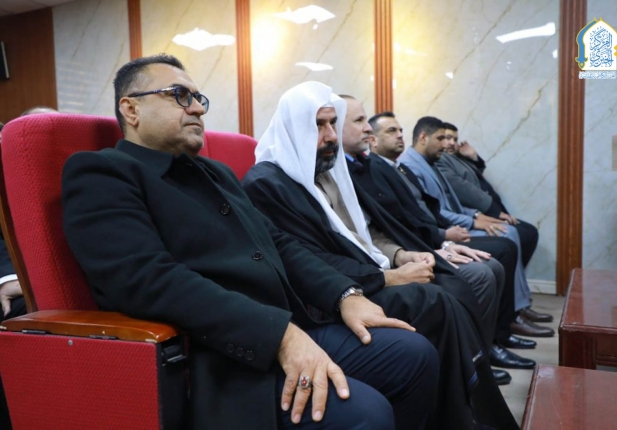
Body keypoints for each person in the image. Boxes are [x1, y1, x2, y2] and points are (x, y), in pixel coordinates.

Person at [61, 54, 439, 430]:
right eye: (180, 95)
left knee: (415, 355)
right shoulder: (102, 173)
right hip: (219, 356)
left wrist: (345, 295)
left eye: (198, 98)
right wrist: (279, 336)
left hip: (289, 324)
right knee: (366, 413)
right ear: (131, 109)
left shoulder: (216, 173)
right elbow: (148, 280)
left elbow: (278, 242)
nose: (197, 109)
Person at [242, 81, 519, 430]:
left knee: (448, 281)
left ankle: (462, 405)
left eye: (332, 123)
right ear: (293, 127)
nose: (330, 136)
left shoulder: (324, 170)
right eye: (318, 125)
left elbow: (363, 236)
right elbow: (305, 260)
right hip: (324, 299)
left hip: (360, 275)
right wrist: (387, 277)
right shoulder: (267, 183)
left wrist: (401, 257)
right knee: (435, 302)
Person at [343, 103, 536, 374]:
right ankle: (476, 357)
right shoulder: (365, 168)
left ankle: (491, 341)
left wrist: (442, 241)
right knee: (486, 266)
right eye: (391, 131)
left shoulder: (392, 167)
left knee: (502, 250)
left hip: (417, 243)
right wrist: (438, 243)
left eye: (400, 130)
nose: (400, 135)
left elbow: (425, 211)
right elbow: (386, 227)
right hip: (393, 257)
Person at [398, 116, 554, 337]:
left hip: (452, 224)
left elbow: (450, 200)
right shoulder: (409, 165)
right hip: (445, 231)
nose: (445, 144)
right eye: (441, 138)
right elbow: (431, 213)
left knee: (513, 233)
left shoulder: (429, 161)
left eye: (449, 138)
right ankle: (509, 319)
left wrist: (477, 216)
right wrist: (467, 224)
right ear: (423, 137)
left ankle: (516, 310)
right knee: (506, 238)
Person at [438, 123, 542, 292]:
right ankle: (515, 294)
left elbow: (474, 177)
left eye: (455, 139)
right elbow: (465, 190)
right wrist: (489, 214)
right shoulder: (439, 161)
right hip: (472, 215)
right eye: (446, 138)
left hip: (482, 211)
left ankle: (516, 291)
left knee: (529, 232)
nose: (451, 143)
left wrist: (473, 158)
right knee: (513, 236)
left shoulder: (456, 158)